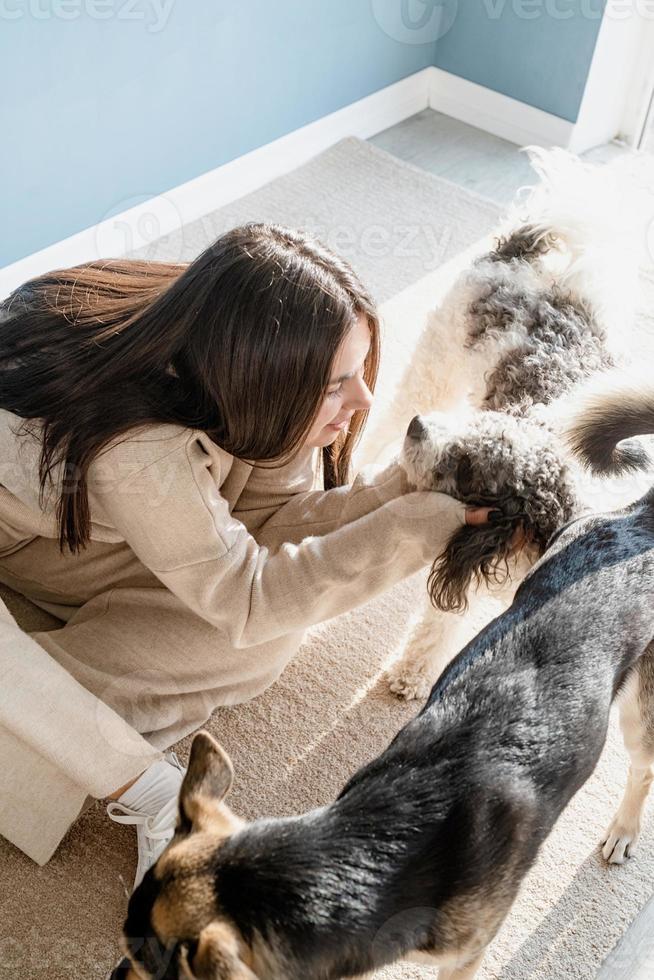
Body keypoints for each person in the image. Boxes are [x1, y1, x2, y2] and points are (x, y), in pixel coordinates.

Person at [0, 223, 496, 891]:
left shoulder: (249, 349)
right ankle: (144, 786)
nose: (365, 402)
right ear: (265, 377)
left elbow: (273, 524)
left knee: (264, 636)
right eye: (338, 384)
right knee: (258, 616)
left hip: (68, 535)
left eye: (359, 371)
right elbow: (250, 597)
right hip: (37, 533)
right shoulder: (141, 448)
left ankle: (46, 714)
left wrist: (405, 486)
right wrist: (423, 527)